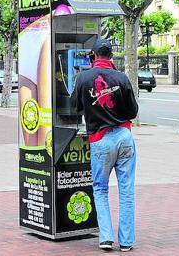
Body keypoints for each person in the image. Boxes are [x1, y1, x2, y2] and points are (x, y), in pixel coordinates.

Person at [71, 39, 138, 252]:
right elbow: (133, 112)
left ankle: (106, 238)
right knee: (126, 190)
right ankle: (126, 241)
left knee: (100, 189)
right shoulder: (122, 77)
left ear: (93, 55)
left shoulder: (82, 78)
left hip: (100, 139)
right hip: (124, 136)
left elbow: (75, 108)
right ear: (111, 56)